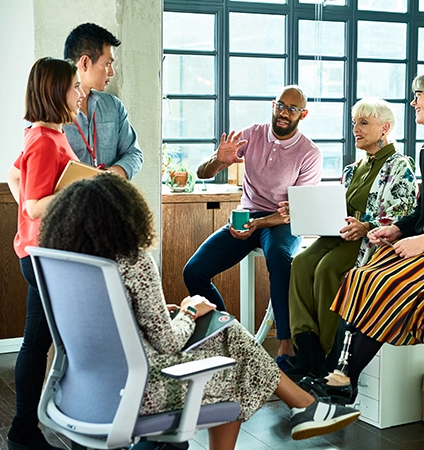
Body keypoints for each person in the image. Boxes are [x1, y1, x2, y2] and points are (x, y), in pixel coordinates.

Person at [38, 173, 360, 450]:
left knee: (226, 330)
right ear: (126, 216)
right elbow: (167, 342)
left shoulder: (67, 263)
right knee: (233, 363)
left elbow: (105, 320)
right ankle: (305, 406)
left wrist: (157, 312)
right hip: (141, 391)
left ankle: (304, 407)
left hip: (82, 389)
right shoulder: (135, 262)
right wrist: (189, 311)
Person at [300, 70, 424, 404]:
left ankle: (342, 378)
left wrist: (423, 241)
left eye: (417, 94)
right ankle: (335, 374)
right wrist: (399, 229)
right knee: (360, 277)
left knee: (388, 282)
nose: (412, 102)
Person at [183, 85, 322, 366]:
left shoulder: (309, 153)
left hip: (279, 222)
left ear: (303, 114)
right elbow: (202, 173)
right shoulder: (252, 134)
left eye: (292, 109)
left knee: (281, 260)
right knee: (194, 272)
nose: (284, 113)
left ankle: (286, 345)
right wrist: (219, 161)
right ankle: (226, 336)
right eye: (280, 106)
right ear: (273, 105)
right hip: (246, 216)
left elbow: (295, 212)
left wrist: (258, 224)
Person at [282, 97, 417, 382]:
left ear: (385, 128)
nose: (356, 128)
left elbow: (402, 214)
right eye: (355, 123)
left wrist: (365, 224)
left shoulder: (399, 166)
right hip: (340, 233)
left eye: (364, 123)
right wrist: (308, 212)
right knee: (301, 262)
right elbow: (338, 207)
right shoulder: (354, 168)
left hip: (368, 239)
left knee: (327, 269)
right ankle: (306, 346)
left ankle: (328, 354)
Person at [6, 57, 85, 450]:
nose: (80, 92)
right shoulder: (42, 138)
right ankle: (29, 431)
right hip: (43, 258)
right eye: (74, 86)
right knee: (44, 344)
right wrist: (80, 189)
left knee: (42, 343)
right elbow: (36, 204)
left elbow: (14, 177)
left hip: (42, 254)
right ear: (56, 91)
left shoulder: (45, 133)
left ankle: (32, 430)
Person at [62, 22, 143, 179]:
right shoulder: (49, 112)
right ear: (85, 62)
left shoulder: (114, 106)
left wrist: (109, 176)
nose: (111, 72)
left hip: (109, 200)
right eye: (107, 64)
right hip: (70, 202)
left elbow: (134, 153)